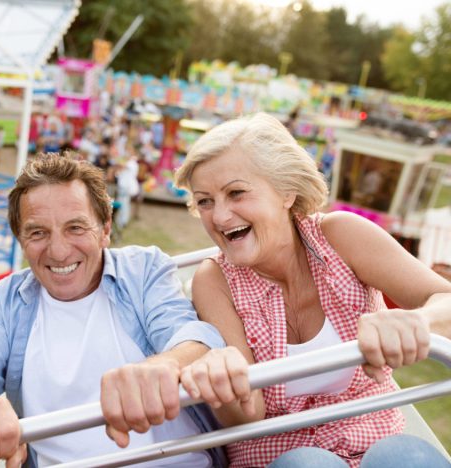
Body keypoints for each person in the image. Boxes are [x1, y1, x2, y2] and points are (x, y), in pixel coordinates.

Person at [0, 153, 227, 467]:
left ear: (106, 229)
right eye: (38, 233)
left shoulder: (141, 270)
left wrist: (167, 364)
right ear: (21, 240)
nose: (58, 251)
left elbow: (194, 338)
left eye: (76, 228)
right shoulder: (8, 301)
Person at [173, 112, 451, 467]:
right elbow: (249, 414)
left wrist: (416, 323)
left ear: (286, 191)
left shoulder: (342, 236)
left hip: (372, 436)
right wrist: (221, 384)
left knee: (406, 457)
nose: (221, 217)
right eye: (205, 201)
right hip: (279, 452)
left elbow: (445, 299)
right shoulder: (214, 280)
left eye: (236, 193)